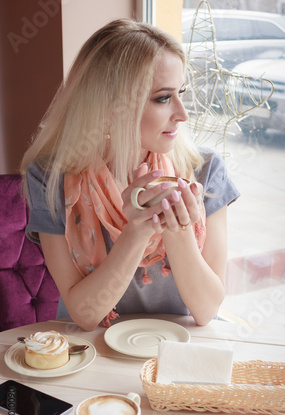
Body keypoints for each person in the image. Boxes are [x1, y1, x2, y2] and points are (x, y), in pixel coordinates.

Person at [21, 18, 239, 331]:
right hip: (93, 351)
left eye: (182, 92)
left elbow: (206, 311)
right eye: (163, 98)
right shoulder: (49, 177)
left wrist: (176, 229)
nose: (183, 113)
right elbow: (84, 316)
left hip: (179, 352)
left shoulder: (205, 168)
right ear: (110, 108)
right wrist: (137, 232)